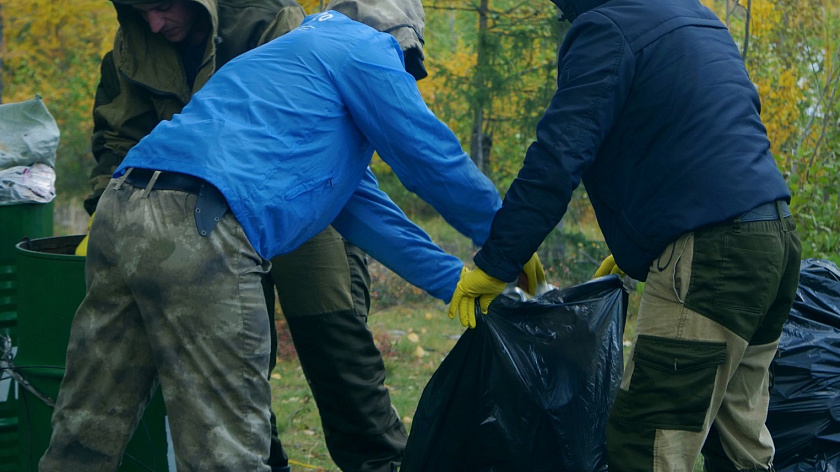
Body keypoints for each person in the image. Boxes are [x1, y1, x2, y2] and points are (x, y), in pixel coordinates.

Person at [39, 10, 543, 471]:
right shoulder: (366, 50)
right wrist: (506, 241)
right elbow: (432, 159)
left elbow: (370, 218)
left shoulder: (297, 72)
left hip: (123, 207)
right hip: (199, 223)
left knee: (89, 422)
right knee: (226, 452)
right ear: (405, 43)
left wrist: (461, 284)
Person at [446, 0, 801, 470]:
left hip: (714, 258)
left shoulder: (605, 28)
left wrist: (497, 263)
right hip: (773, 240)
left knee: (647, 444)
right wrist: (649, 243)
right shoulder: (693, 15)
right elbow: (707, 135)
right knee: (739, 438)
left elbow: (559, 156)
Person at [76, 0, 427, 470]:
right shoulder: (131, 52)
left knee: (336, 344)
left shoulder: (265, 17)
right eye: (141, 14)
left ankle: (380, 463)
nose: (155, 25)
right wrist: (105, 212)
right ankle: (267, 461)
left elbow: (322, 120)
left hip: (297, 202)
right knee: (233, 364)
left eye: (161, 8)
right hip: (195, 218)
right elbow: (118, 140)